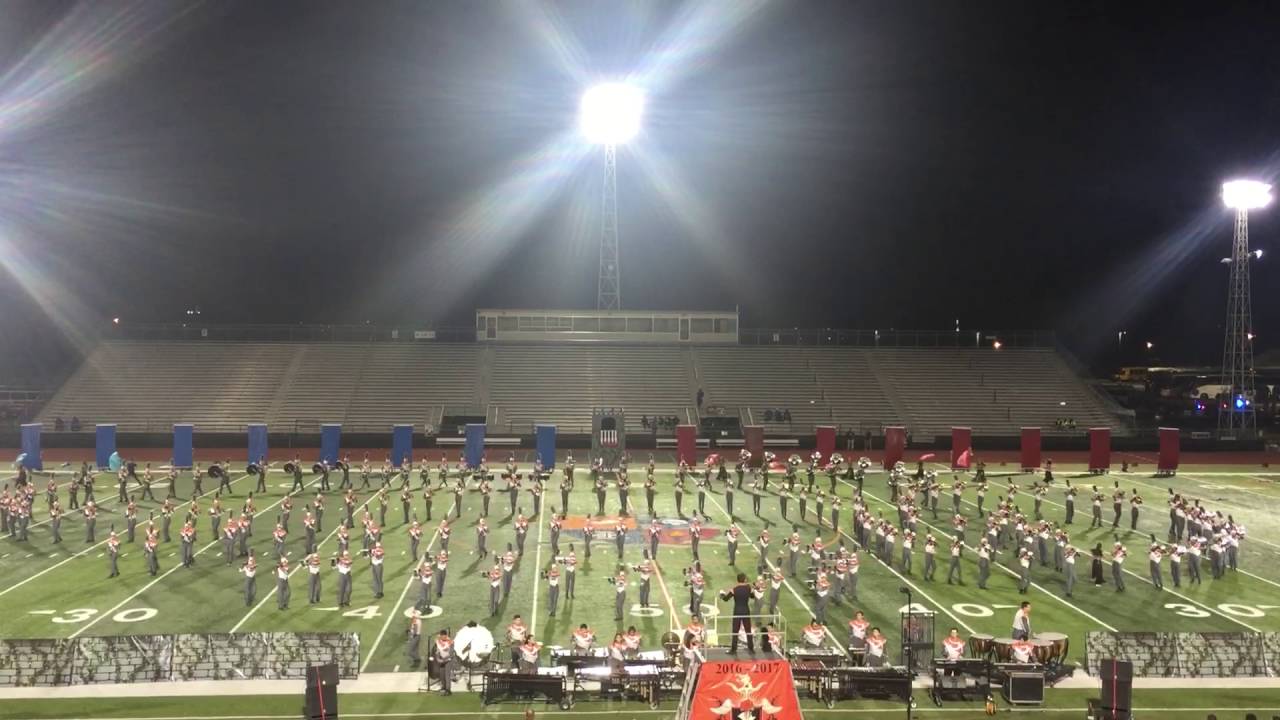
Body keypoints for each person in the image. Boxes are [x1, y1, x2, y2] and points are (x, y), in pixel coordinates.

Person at [722, 572, 754, 653]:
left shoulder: (734, 589)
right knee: (748, 630)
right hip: (746, 611)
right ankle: (751, 649)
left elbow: (725, 599)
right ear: (744, 579)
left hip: (737, 611)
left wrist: (722, 594)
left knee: (735, 631)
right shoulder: (748, 588)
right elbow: (752, 596)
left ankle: (733, 649)